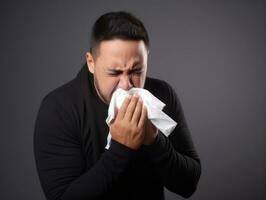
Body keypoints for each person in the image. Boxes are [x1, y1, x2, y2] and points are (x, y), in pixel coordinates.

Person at [34, 11, 201, 200]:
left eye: (136, 71)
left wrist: (154, 142)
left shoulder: (161, 94)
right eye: (114, 72)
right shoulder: (59, 109)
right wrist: (121, 147)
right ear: (91, 63)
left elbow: (188, 185)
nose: (126, 84)